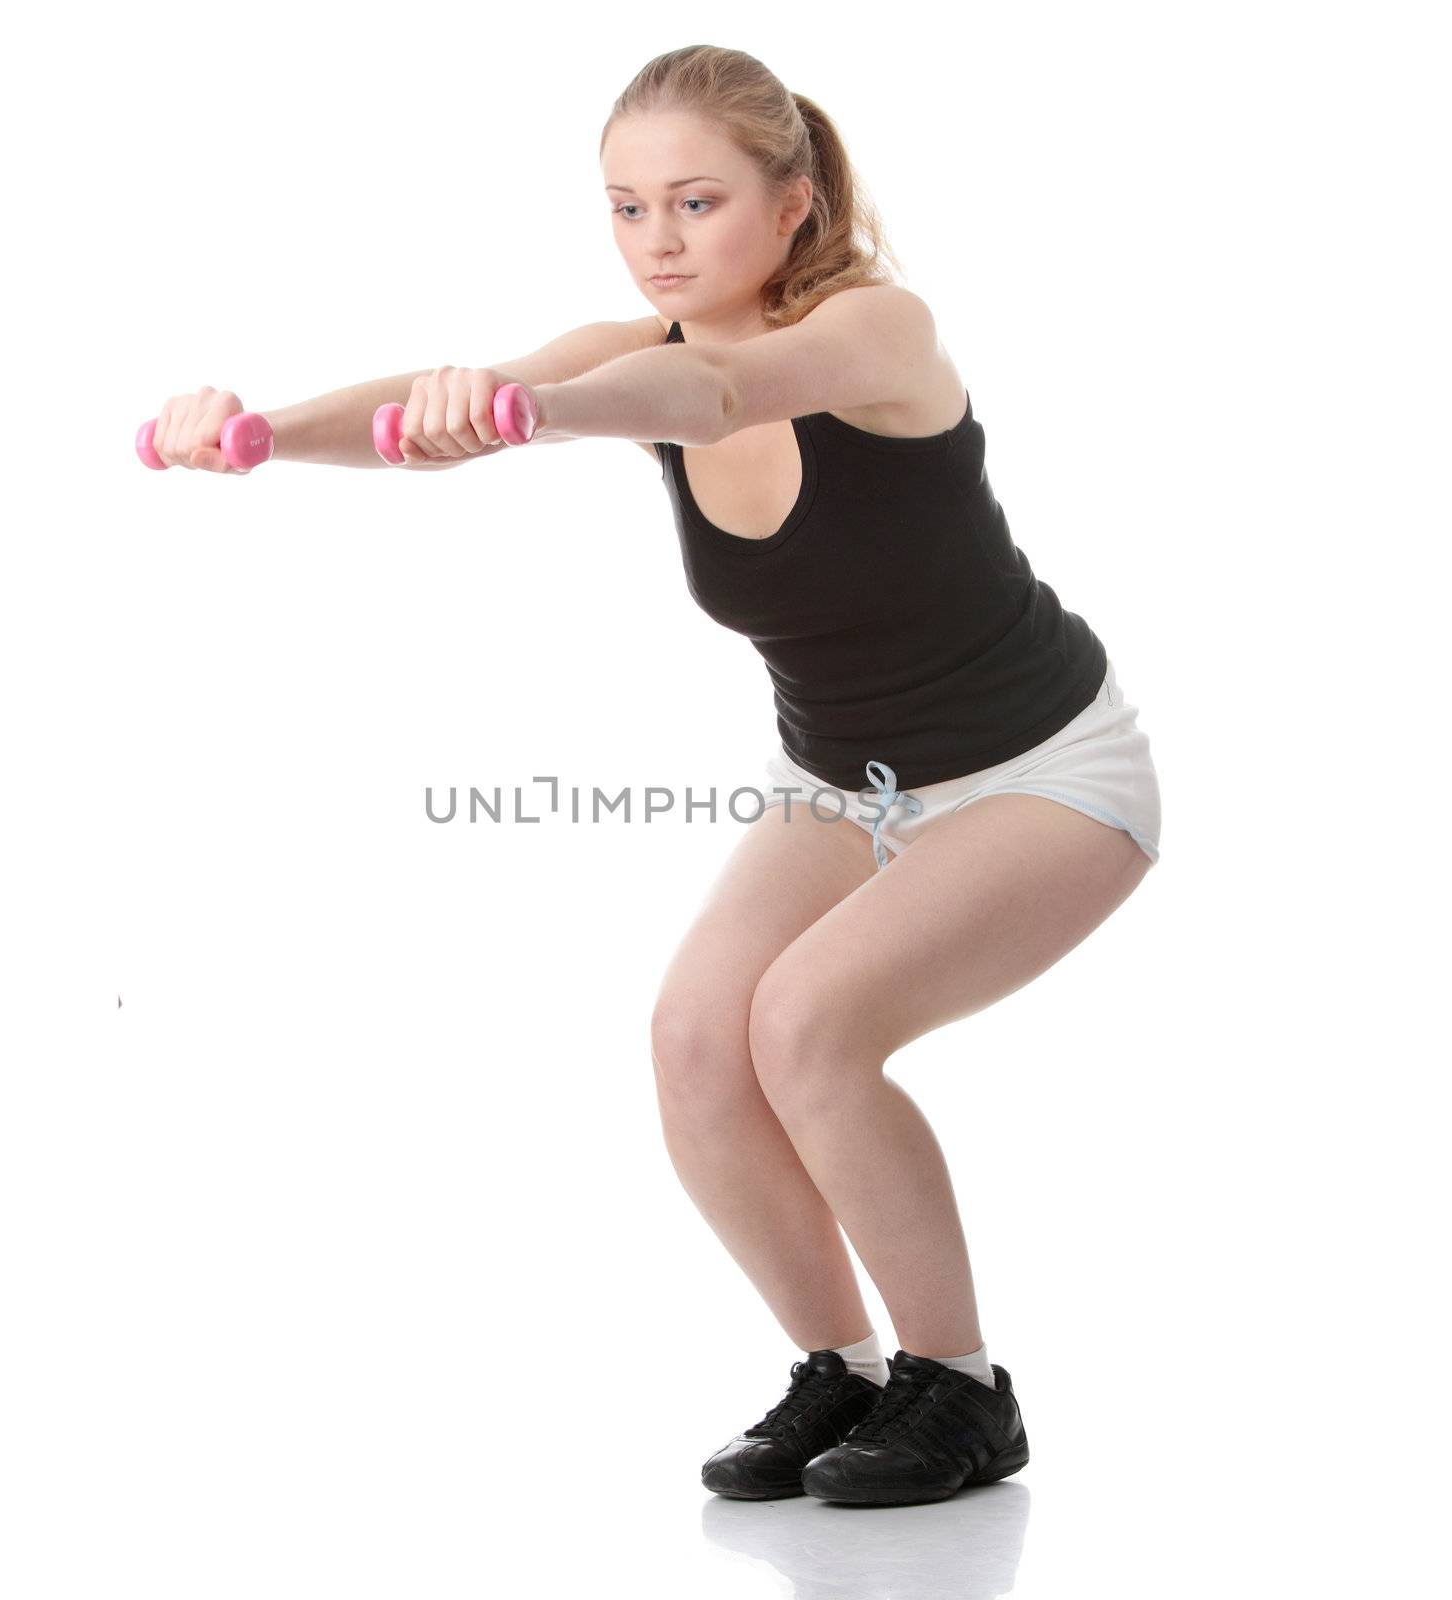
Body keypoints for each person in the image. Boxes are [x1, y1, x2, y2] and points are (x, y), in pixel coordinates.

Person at [146, 44, 1162, 1511]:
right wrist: (253, 439)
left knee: (806, 1023)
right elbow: (456, 399)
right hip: (843, 781)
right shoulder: (631, 346)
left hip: (1046, 773)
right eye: (627, 210)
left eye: (695, 202)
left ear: (795, 202)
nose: (660, 242)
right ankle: (845, 1370)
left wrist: (534, 416)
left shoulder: (879, 331)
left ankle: (964, 1389)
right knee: (698, 1039)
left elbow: (721, 393)